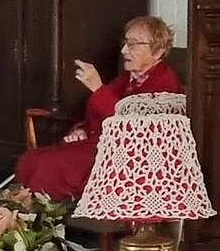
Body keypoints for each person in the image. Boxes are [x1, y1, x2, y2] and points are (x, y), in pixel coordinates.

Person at [15, 15, 182, 201]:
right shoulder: (127, 79)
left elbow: (134, 128)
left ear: (158, 51)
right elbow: (94, 115)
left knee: (50, 165)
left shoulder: (164, 82)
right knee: (29, 159)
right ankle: (25, 214)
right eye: (125, 42)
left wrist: (98, 88)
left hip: (128, 156)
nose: (124, 50)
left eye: (133, 44)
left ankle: (42, 215)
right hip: (98, 144)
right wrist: (81, 130)